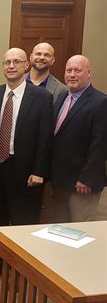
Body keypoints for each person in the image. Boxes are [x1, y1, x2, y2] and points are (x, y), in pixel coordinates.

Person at [0, 48, 53, 232]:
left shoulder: (42, 97)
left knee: (23, 222)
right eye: (7, 62)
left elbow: (45, 139)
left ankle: (18, 261)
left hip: (26, 172)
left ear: (26, 65)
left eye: (16, 61)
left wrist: (39, 171)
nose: (11, 66)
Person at [47, 55, 107, 222]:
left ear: (89, 73)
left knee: (80, 230)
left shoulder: (100, 102)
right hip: (60, 181)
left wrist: (86, 177)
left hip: (82, 184)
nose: (72, 74)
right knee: (60, 229)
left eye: (78, 70)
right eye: (69, 70)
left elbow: (100, 144)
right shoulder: (62, 98)